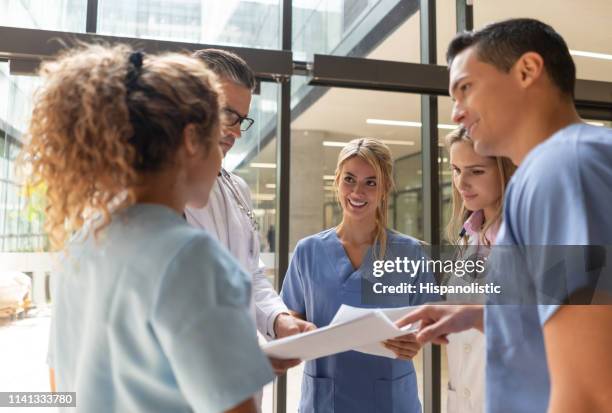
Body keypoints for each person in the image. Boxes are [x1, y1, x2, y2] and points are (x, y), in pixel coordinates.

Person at [31, 44, 273, 412]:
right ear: (192, 140)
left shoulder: (83, 242)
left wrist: (239, 360)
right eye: (217, 133)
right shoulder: (190, 257)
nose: (229, 144)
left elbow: (63, 383)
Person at [397, 18, 612, 413]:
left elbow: (592, 391)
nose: (457, 113)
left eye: (465, 89)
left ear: (527, 71)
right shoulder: (573, 161)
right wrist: (479, 316)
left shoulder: (563, 168)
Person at [281, 138, 439, 412]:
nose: (357, 191)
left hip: (389, 397)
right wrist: (299, 335)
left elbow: (429, 321)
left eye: (371, 182)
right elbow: (292, 315)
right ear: (337, 182)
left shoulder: (409, 252)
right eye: (350, 179)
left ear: (385, 189)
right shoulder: (309, 251)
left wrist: (415, 341)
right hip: (325, 397)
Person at [184, 49, 315, 379]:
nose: (236, 132)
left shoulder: (236, 189)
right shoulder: (149, 198)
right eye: (228, 115)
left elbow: (250, 275)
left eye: (241, 120)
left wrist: (279, 320)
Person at [443, 127, 515, 413]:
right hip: (464, 395)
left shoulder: (527, 236)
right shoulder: (469, 235)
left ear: (505, 169)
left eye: (476, 171)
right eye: (456, 169)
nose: (462, 183)